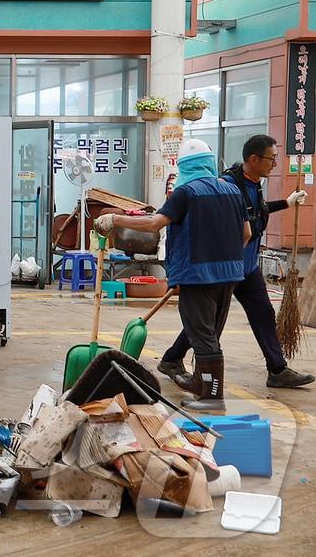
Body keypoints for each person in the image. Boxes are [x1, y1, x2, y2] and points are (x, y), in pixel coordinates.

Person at [98, 139, 250, 411]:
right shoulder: (232, 191)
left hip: (196, 274)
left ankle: (212, 397)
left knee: (202, 335)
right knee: (211, 332)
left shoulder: (186, 192)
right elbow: (246, 234)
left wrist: (116, 219)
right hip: (230, 274)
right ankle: (202, 385)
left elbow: (155, 223)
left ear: (184, 166)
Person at [156, 135, 314, 388]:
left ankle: (277, 369)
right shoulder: (228, 185)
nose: (274, 164)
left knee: (262, 314)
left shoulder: (253, 184)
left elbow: (256, 212)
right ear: (254, 159)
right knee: (205, 322)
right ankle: (177, 362)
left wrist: (286, 202)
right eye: (271, 159)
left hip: (246, 267)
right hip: (225, 266)